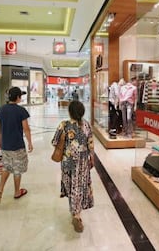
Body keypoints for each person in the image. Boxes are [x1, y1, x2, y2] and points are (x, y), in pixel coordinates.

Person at [51, 100, 94, 233]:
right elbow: (91, 145)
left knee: (70, 186)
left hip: (67, 162)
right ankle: (76, 212)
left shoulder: (64, 125)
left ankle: (75, 214)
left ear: (70, 112)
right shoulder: (86, 125)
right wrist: (91, 158)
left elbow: (55, 142)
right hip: (82, 163)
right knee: (79, 186)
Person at [0, 87, 33, 204]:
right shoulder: (21, 110)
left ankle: (0, 190)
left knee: (6, 167)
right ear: (18, 97)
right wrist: (29, 142)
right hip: (17, 145)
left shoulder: (2, 110)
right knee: (17, 169)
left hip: (5, 145)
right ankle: (17, 192)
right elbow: (26, 129)